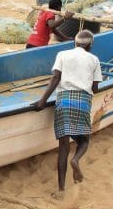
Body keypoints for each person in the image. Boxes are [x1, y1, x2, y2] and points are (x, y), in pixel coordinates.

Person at [34, 30, 102, 199]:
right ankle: (76, 160)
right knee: (84, 140)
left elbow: (55, 78)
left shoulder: (62, 54)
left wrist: (42, 101)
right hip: (83, 101)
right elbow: (95, 88)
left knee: (63, 148)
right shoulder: (94, 59)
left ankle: (61, 190)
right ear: (90, 45)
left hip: (64, 100)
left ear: (75, 42)